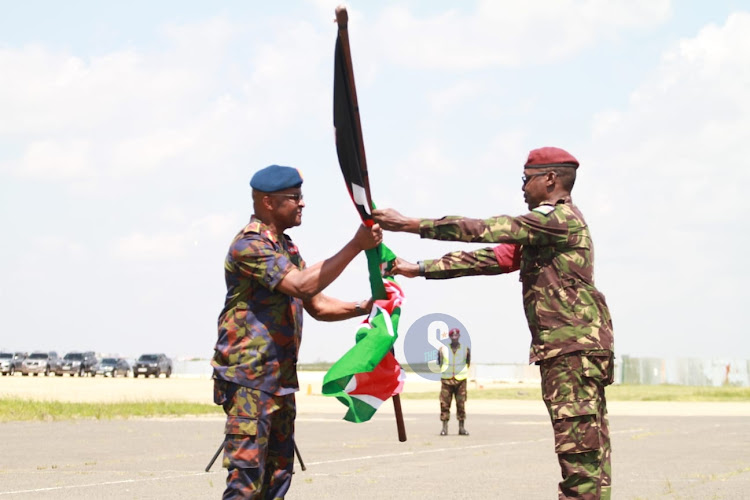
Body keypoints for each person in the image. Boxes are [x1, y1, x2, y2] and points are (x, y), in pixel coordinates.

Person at [373, 147, 615, 500]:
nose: (521, 188)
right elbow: (489, 258)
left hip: (571, 352)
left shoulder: (557, 221)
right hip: (569, 352)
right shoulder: (543, 232)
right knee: (584, 456)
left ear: (550, 179)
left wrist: (411, 224)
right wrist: (419, 268)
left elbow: (488, 230)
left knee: (580, 459)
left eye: (526, 179)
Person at [212, 164, 382, 499]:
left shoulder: (286, 248)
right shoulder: (249, 246)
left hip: (280, 385)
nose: (302, 203)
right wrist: (355, 245)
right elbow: (302, 285)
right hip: (250, 383)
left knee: (277, 482)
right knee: (246, 486)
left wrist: (366, 306)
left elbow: (317, 305)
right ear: (267, 202)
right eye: (294, 197)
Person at [437, 327, 470, 436]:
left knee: (461, 404)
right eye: (452, 336)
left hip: (461, 381)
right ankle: (444, 428)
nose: (454, 338)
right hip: (447, 380)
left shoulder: (465, 349)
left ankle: (461, 428)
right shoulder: (443, 349)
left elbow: (467, 362)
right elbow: (440, 362)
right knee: (444, 404)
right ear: (450, 337)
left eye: (456, 336)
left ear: (459, 336)